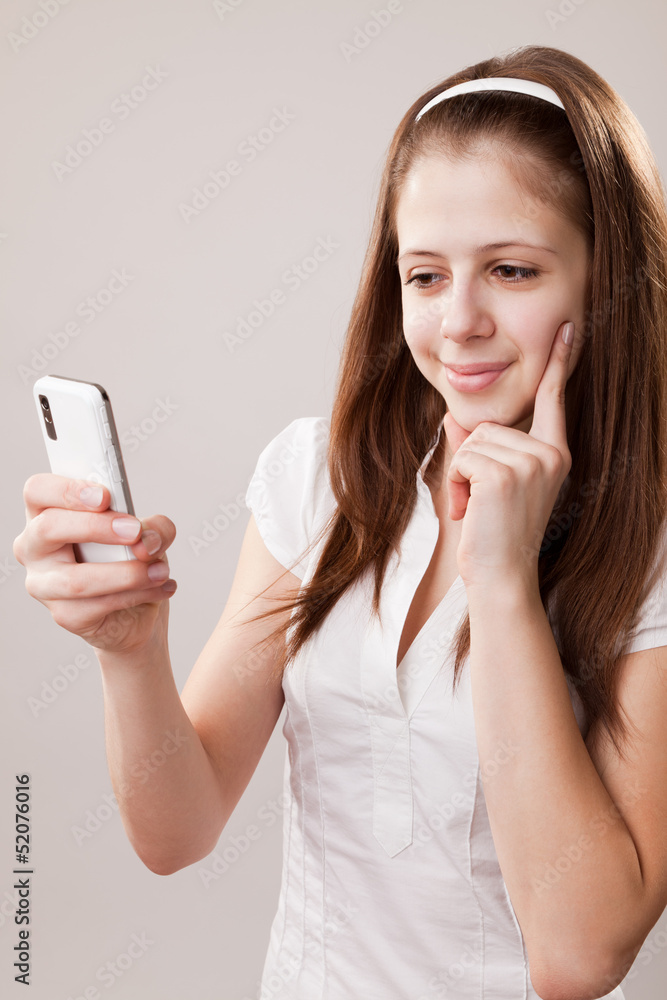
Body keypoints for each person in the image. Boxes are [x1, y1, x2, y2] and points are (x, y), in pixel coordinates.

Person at [13, 43, 667, 1000]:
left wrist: (503, 582)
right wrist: (129, 650)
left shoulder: (649, 543)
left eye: (513, 271)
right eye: (426, 275)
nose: (458, 323)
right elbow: (176, 832)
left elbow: (577, 959)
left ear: (601, 284)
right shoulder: (318, 479)